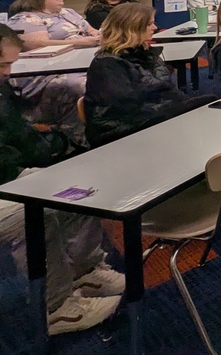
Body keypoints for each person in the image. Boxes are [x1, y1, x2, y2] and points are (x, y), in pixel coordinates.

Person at [0, 24, 125, 335]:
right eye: (3, 64)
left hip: (9, 174)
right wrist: (47, 152)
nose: (8, 72)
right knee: (40, 209)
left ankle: (85, 272)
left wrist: (50, 150)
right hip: (6, 180)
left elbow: (17, 140)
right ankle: (56, 309)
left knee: (80, 188)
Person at [83, 3, 214, 147]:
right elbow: (126, 108)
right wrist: (175, 109)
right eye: (149, 23)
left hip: (149, 117)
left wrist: (182, 105)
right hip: (119, 130)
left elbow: (166, 91)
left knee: (207, 105)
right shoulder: (107, 64)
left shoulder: (145, 54)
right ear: (132, 27)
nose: (155, 27)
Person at [8, 0, 100, 144]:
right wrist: (79, 43)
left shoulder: (68, 13)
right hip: (47, 73)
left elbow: (93, 32)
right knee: (86, 85)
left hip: (82, 63)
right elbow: (37, 44)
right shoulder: (26, 18)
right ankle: (78, 141)